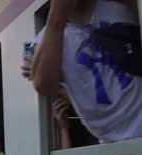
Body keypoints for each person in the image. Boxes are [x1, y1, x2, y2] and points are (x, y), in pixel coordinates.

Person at [30, 0, 142, 143]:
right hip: (111, 146)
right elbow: (43, 85)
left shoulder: (120, 5)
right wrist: (57, 18)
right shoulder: (51, 34)